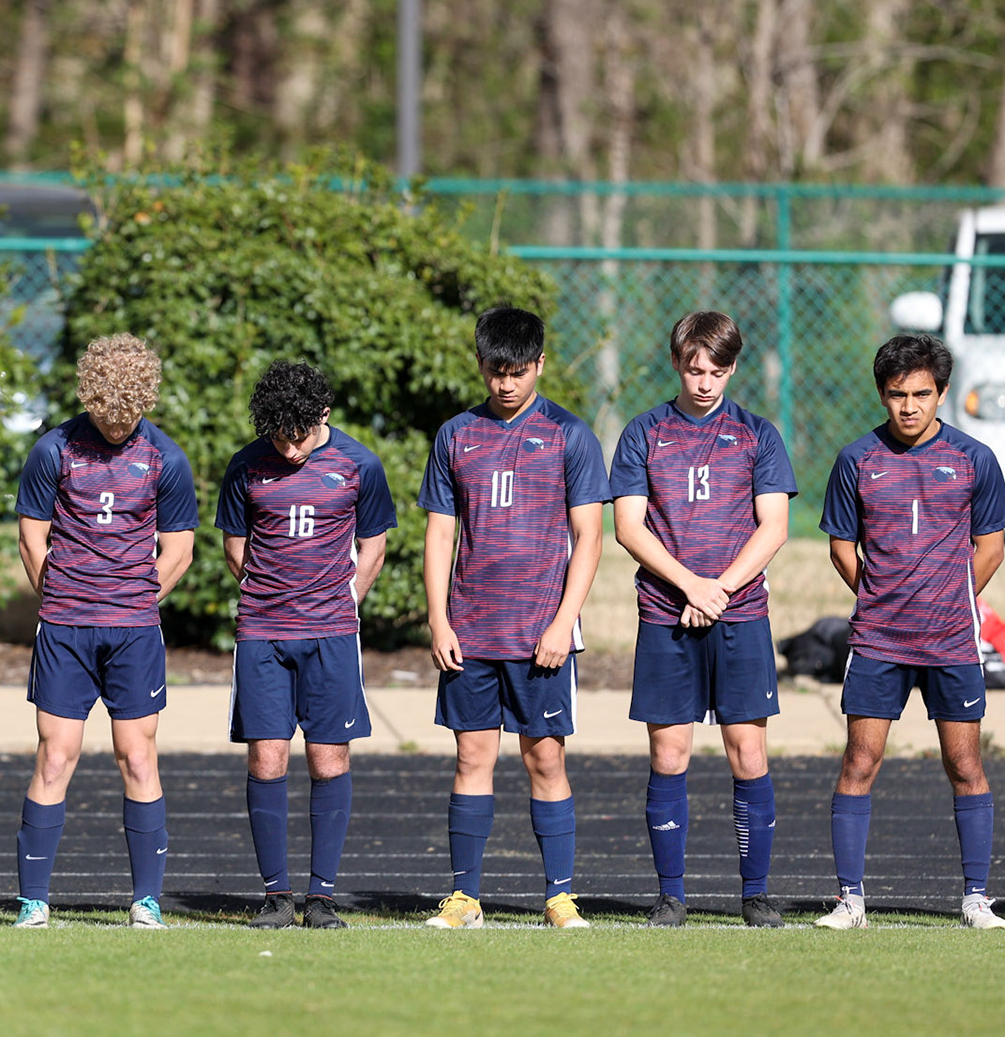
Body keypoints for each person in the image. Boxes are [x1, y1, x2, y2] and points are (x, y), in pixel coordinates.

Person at [418, 306, 609, 930]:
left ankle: (558, 897)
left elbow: (590, 538)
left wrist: (563, 622)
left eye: (518, 372)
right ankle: (464, 898)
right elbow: (440, 534)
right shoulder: (455, 435)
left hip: (540, 636)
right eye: (496, 371)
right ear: (480, 366)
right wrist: (438, 620)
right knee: (472, 759)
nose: (506, 383)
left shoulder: (570, 435)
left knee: (545, 760)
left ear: (540, 366)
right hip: (471, 633)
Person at [815, 334, 1005, 930]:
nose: (909, 406)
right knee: (860, 760)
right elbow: (841, 549)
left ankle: (976, 898)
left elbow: (992, 548)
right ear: (882, 394)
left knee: (964, 765)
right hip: (879, 641)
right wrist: (882, 599)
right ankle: (851, 901)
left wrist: (948, 599)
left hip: (951, 640)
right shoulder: (856, 459)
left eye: (921, 394)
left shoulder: (975, 458)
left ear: (942, 393)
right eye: (897, 395)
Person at [610, 312, 795, 928]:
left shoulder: (758, 435)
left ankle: (756, 894)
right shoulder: (644, 433)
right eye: (694, 369)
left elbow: (775, 526)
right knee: (670, 752)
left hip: (741, 615)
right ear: (677, 363)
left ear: (733, 368)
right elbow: (628, 526)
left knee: (748, 752)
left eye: (717, 370)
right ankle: (671, 895)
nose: (705, 382)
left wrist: (719, 589)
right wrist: (691, 585)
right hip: (666, 614)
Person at [12, 334, 198, 929]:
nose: (117, 426)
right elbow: (30, 537)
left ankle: (146, 901)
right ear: (88, 397)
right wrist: (63, 597)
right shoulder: (53, 450)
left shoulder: (166, 458)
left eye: (128, 417)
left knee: (137, 756)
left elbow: (180, 548)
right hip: (65, 627)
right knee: (55, 755)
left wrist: (137, 600)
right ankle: (32, 902)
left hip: (134, 631)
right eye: (105, 415)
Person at [216, 362, 397, 930]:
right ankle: (277, 896)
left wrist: (346, 603)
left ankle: (320, 898)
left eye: (298, 434)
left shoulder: (359, 464)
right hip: (263, 632)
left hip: (332, 635)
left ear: (323, 415)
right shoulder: (245, 465)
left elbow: (374, 546)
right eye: (278, 435)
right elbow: (234, 547)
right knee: (266, 758)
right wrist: (269, 597)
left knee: (327, 758)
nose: (289, 448)